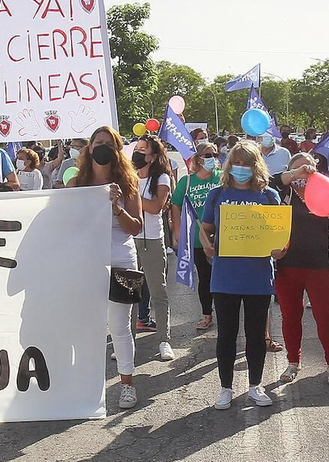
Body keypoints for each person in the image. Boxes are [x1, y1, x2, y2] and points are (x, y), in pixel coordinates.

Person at [200, 140, 284, 409]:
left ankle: (255, 386)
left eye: (247, 163)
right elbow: (206, 228)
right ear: (229, 164)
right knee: (226, 334)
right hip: (225, 276)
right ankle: (225, 388)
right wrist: (206, 243)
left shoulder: (269, 196)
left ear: (256, 165)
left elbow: (280, 236)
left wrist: (279, 251)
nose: (241, 168)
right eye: (236, 162)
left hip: (258, 276)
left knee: (256, 334)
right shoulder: (217, 194)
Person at [72, 126, 144, 409]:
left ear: (117, 150)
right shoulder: (77, 185)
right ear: (89, 148)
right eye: (98, 142)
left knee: (119, 326)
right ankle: (86, 385)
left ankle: (126, 385)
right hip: (87, 260)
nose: (102, 147)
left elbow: (135, 228)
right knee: (87, 325)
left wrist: (116, 206)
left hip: (122, 259)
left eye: (109, 144)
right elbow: (68, 225)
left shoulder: (129, 184)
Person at [273, 152, 329, 386]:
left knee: (325, 318)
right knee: (290, 317)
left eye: (308, 169)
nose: (303, 175)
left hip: (321, 267)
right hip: (288, 268)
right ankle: (293, 362)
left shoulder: (325, 190)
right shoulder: (282, 194)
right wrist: (293, 175)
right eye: (298, 170)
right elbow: (268, 181)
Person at [131, 135, 176, 359]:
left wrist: (132, 197)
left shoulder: (162, 178)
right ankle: (127, 342)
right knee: (129, 293)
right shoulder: (128, 177)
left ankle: (163, 340)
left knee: (158, 291)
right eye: (136, 148)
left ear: (154, 156)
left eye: (143, 150)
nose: (137, 153)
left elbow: (155, 207)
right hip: (128, 239)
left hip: (151, 240)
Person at [171, 140, 222, 332]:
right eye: (208, 155)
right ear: (198, 159)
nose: (212, 159)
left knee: (222, 276)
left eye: (215, 155)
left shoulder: (222, 178)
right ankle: (207, 314)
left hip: (221, 237)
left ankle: (224, 312)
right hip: (196, 238)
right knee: (205, 276)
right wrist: (177, 231)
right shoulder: (188, 181)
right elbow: (175, 204)